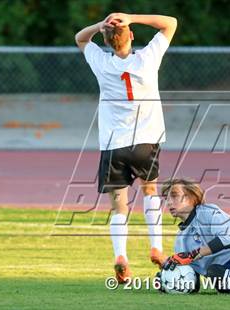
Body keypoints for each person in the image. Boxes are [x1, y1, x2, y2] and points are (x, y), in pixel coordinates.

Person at [75, 13, 177, 283]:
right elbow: (171, 23)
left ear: (107, 41)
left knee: (119, 208)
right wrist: (131, 18)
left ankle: (121, 255)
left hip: (113, 145)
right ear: (131, 36)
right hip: (145, 141)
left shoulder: (101, 63)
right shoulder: (147, 59)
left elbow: (80, 38)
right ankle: (156, 246)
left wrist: (100, 26)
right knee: (151, 191)